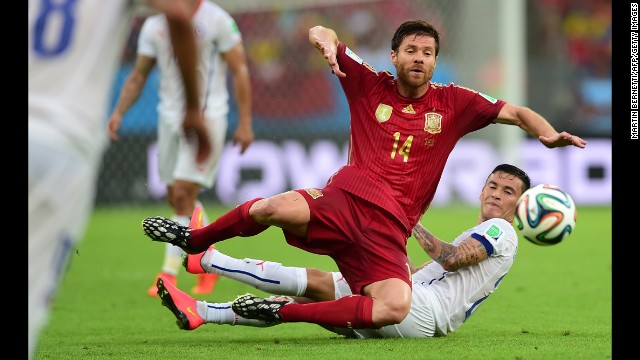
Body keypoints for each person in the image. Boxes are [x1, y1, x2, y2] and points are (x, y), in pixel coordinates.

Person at [141, 20, 586, 331]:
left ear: (435, 61)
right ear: (394, 55)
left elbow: (517, 111)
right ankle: (195, 242)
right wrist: (325, 44)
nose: (419, 59)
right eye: (411, 50)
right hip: (347, 197)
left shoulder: (456, 103)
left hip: (390, 228)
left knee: (391, 305)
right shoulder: (367, 81)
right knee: (272, 207)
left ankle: (246, 302)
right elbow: (322, 30)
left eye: (428, 53)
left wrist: (546, 134)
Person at [28, 0, 211, 358]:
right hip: (64, 142)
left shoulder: (218, 22)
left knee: (181, 191)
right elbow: (176, 15)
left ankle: (189, 259)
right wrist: (193, 109)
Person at [154, 164, 529, 337]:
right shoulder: (487, 230)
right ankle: (203, 310)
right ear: (481, 190)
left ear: (520, 204)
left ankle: (210, 259)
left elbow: (449, 258)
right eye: (492, 185)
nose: (496, 193)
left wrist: (404, 220)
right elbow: (436, 272)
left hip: (423, 312)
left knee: (316, 286)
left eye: (507, 191)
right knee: (314, 292)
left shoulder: (501, 231)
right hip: (419, 316)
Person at [107, 0, 255, 297]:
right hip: (168, 119)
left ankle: (169, 274)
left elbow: (239, 69)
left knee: (185, 193)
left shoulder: (218, 20)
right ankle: (211, 262)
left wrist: (245, 122)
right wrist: (119, 112)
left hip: (208, 117)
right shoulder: (153, 25)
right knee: (177, 197)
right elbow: (139, 74)